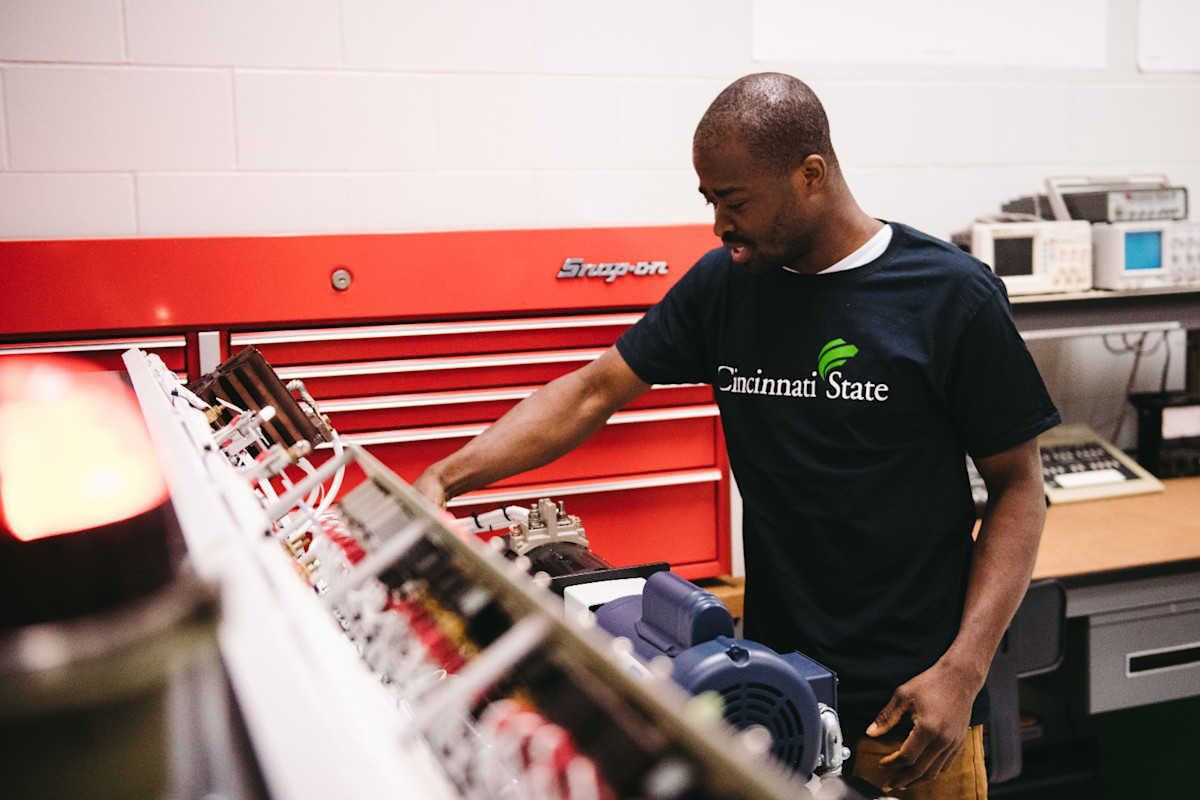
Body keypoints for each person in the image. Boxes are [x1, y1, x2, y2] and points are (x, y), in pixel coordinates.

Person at [414, 72, 1059, 800]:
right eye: (709, 199)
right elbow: (591, 393)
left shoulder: (949, 297)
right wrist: (445, 478)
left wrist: (964, 671)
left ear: (810, 175)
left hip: (912, 706)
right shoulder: (727, 287)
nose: (718, 224)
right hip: (772, 697)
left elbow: (1020, 488)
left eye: (734, 199)